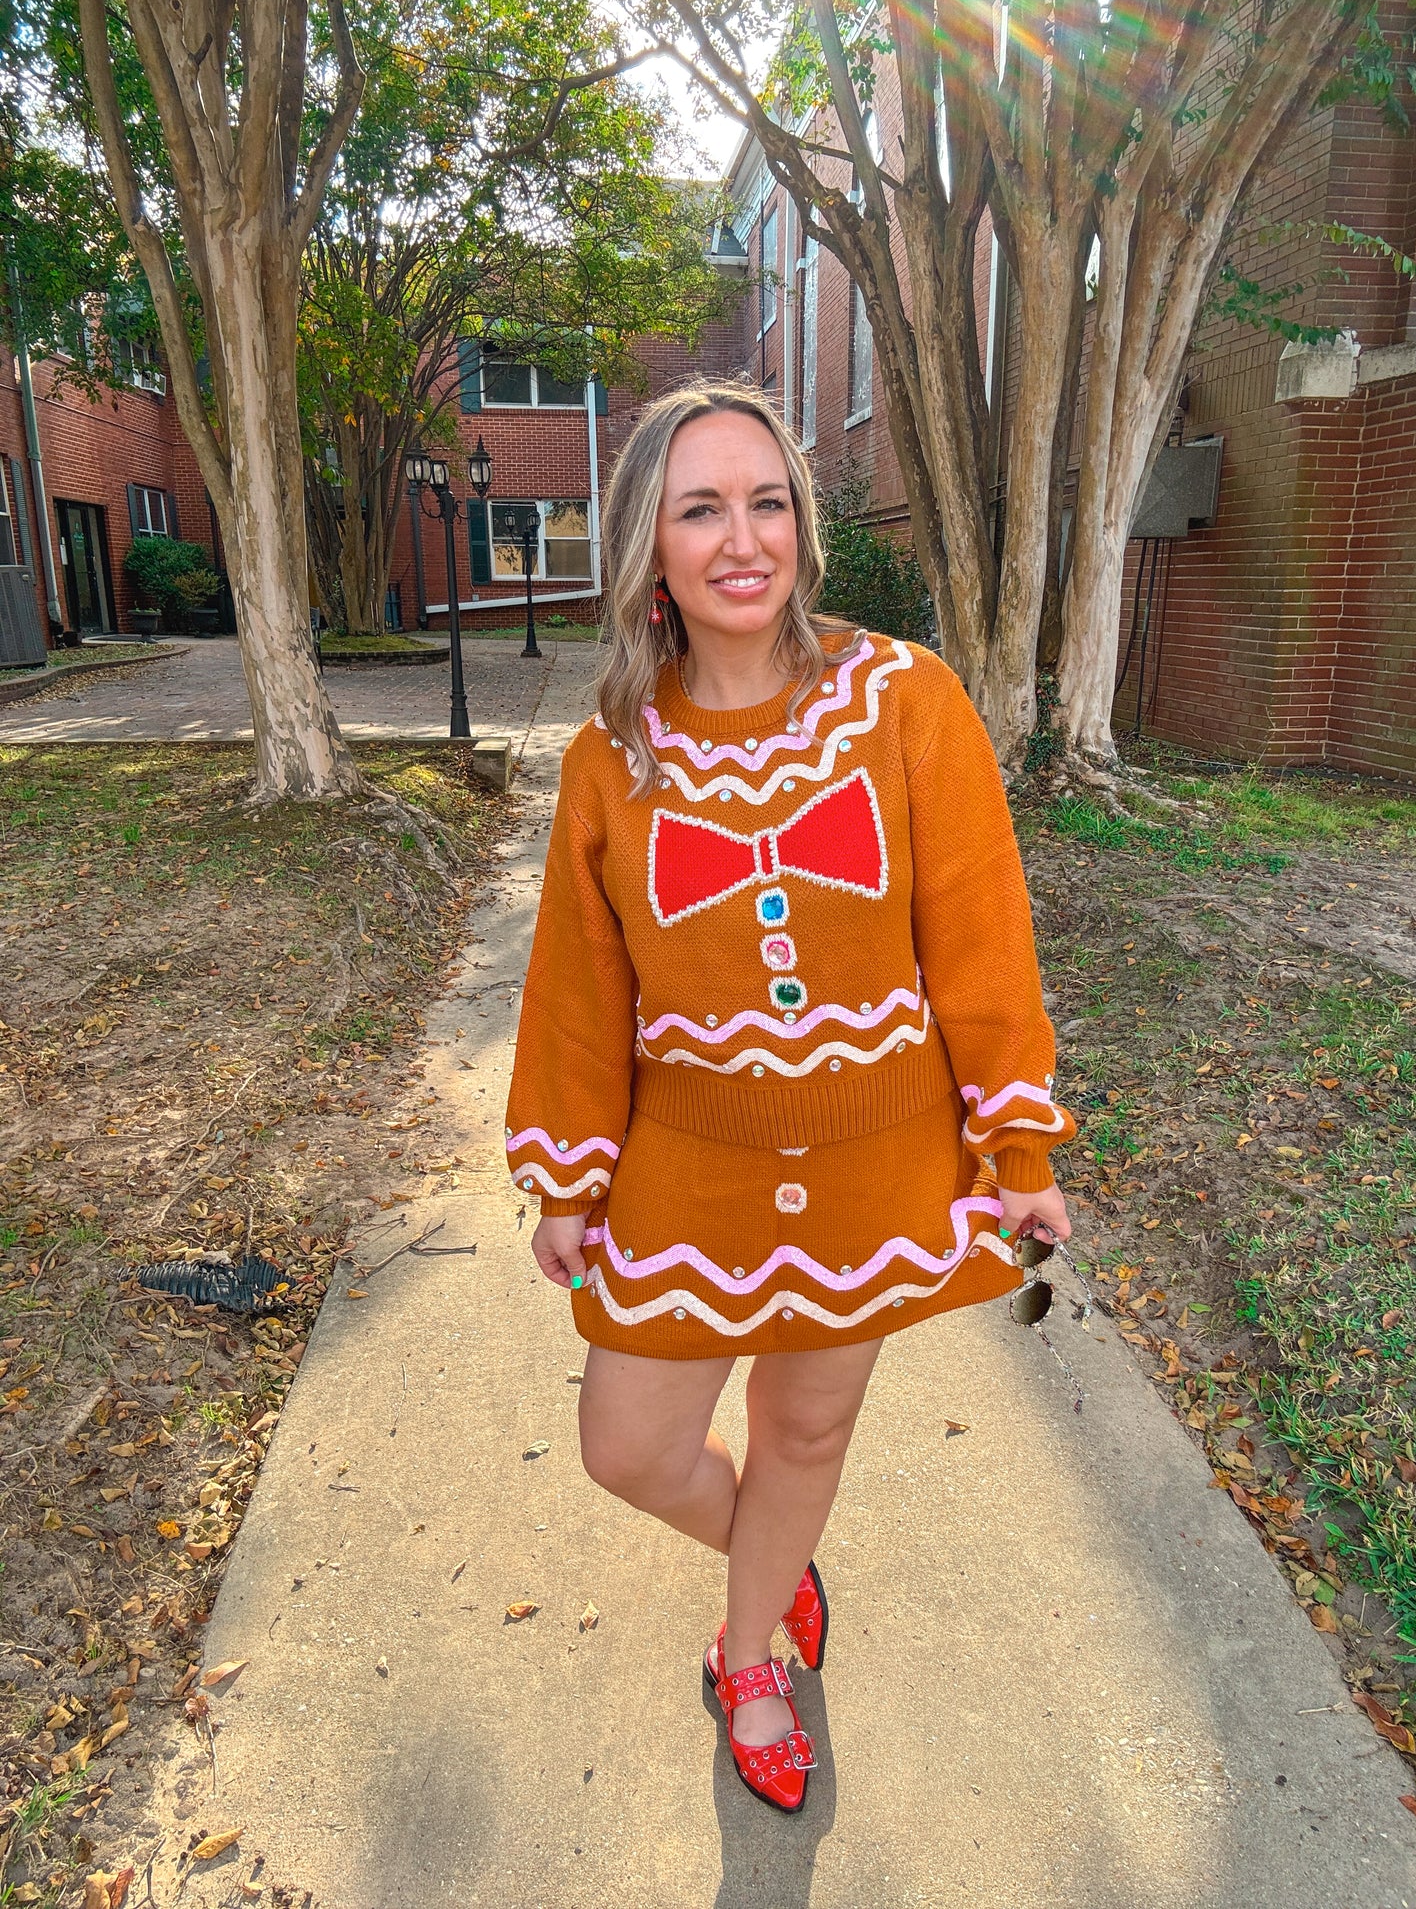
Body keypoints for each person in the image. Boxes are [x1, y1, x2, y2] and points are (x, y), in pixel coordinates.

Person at [504, 380, 1075, 1813]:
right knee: (627, 1447)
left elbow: (978, 932)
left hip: (877, 1168)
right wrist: (567, 1175)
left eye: (766, 501)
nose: (740, 538)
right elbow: (581, 991)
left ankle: (749, 1648)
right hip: (685, 1171)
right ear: (650, 544)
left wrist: (1015, 1146)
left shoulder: (903, 699)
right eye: (700, 508)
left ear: (803, 528)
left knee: (807, 1431)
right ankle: (770, 1551)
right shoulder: (609, 760)